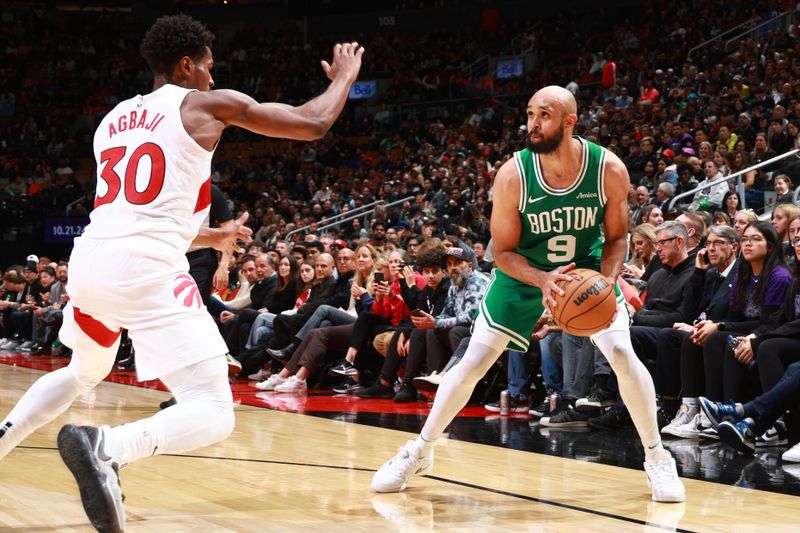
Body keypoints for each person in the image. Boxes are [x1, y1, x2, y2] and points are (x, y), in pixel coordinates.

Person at [0, 14, 363, 532]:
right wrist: (343, 77)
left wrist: (209, 237)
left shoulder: (112, 121)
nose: (214, 78)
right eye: (210, 67)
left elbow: (138, 209)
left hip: (91, 261)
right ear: (187, 65)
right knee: (214, 410)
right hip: (145, 270)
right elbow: (312, 123)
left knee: (84, 371)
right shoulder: (203, 104)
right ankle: (107, 447)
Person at [371, 86, 685, 502]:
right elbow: (501, 252)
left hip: (586, 275)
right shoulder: (512, 175)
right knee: (471, 362)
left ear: (570, 122)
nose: (532, 124)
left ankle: (657, 459)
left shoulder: (608, 169)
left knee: (623, 355)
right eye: (530, 114)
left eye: (544, 115)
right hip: (525, 275)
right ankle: (420, 450)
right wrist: (542, 281)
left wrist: (607, 283)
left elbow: (616, 240)